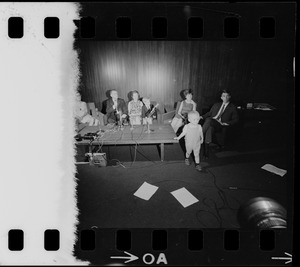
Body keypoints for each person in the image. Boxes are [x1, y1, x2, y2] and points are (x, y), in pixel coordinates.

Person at [201, 90, 239, 157]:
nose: (225, 98)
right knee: (209, 128)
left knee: (209, 119)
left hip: (221, 125)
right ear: (221, 97)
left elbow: (235, 120)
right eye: (224, 96)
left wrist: (227, 123)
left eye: (227, 96)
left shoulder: (232, 107)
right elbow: (209, 113)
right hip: (212, 123)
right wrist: (201, 117)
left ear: (229, 97)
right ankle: (206, 153)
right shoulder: (216, 105)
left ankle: (199, 134)